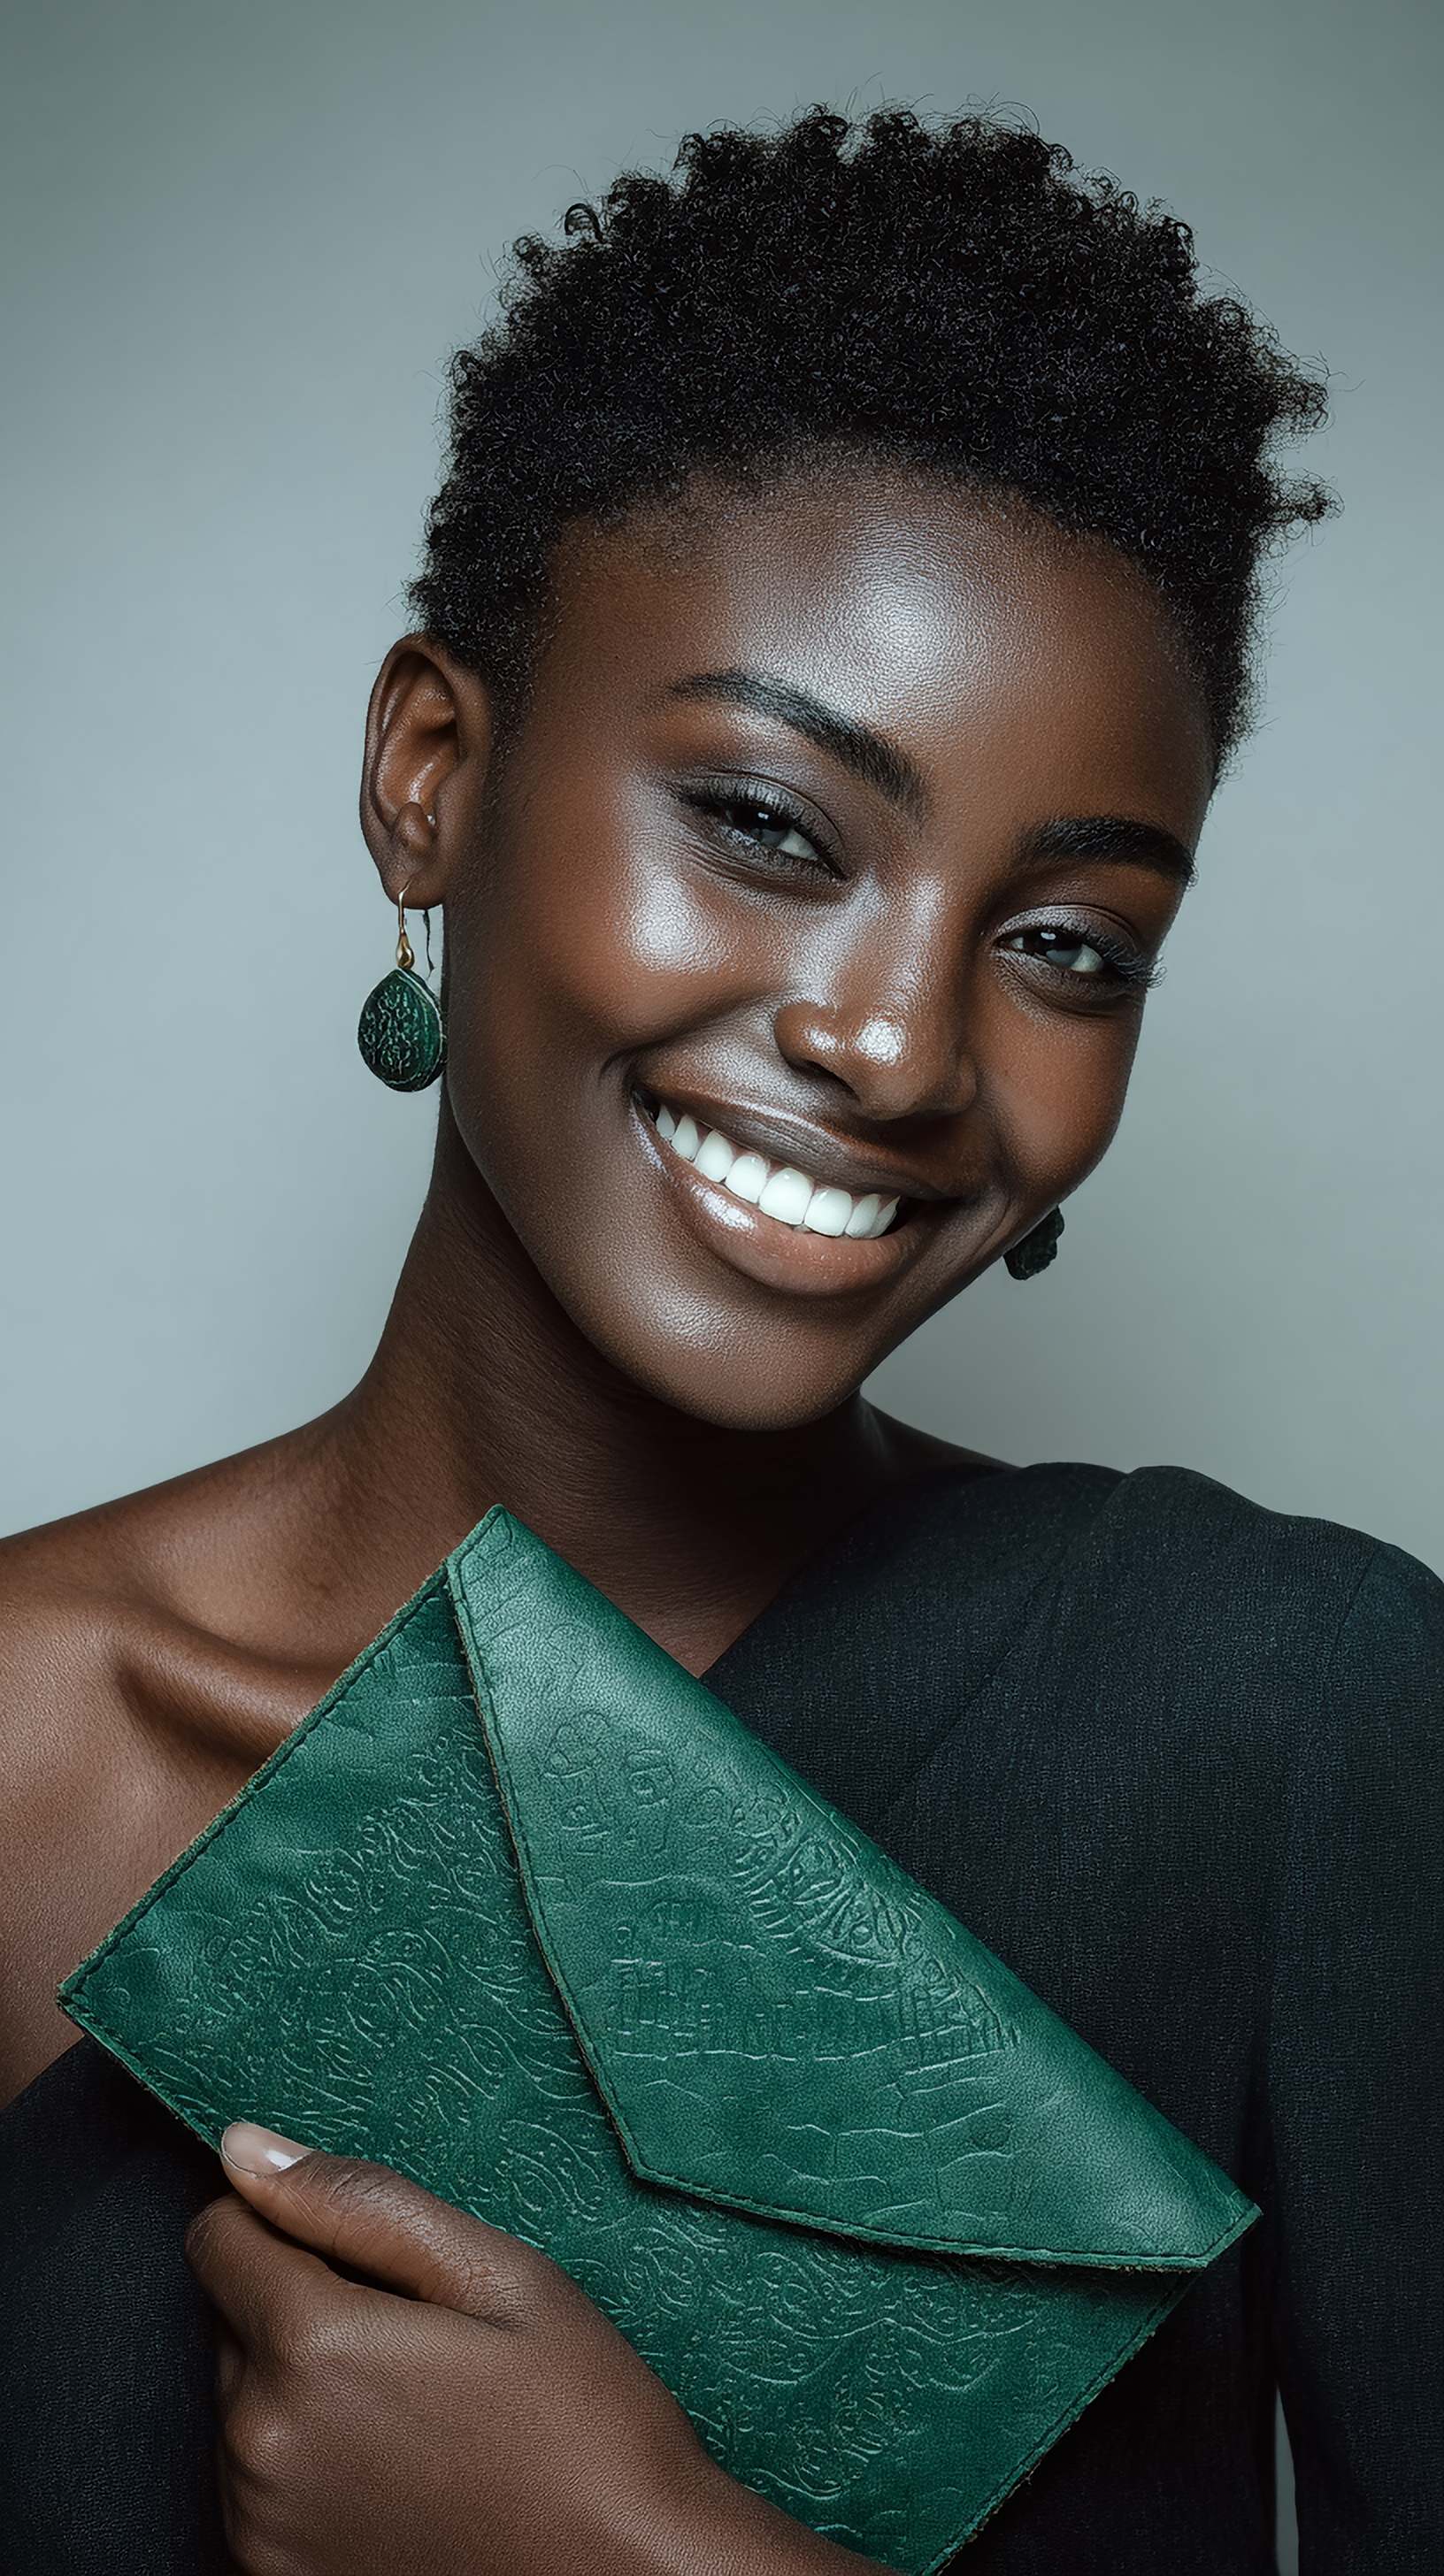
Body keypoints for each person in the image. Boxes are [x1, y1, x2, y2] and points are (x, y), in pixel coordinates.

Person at [0, 101, 1438, 2576]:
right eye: (772, 825)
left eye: (1067, 943)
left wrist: (648, 2553)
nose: (899, 1043)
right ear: (431, 778)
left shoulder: (1290, 1719)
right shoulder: (18, 1761)